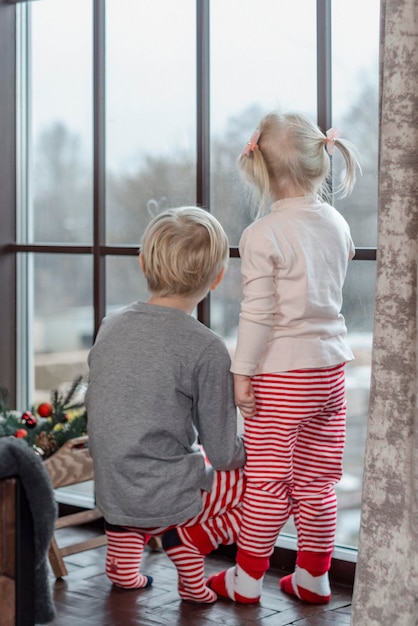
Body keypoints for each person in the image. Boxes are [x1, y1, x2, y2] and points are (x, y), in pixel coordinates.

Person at [207, 112, 359, 605]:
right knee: (318, 480)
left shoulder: (263, 233)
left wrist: (241, 373)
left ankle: (247, 579)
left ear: (262, 172)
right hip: (330, 372)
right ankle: (313, 577)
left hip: (281, 375)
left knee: (268, 483)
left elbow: (258, 314)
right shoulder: (336, 222)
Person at [86, 206, 246, 603]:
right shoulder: (206, 347)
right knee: (261, 487)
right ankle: (187, 543)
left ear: (143, 264)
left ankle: (124, 570)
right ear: (218, 276)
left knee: (135, 476)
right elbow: (224, 453)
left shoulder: (111, 324)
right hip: (170, 496)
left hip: (111, 486)